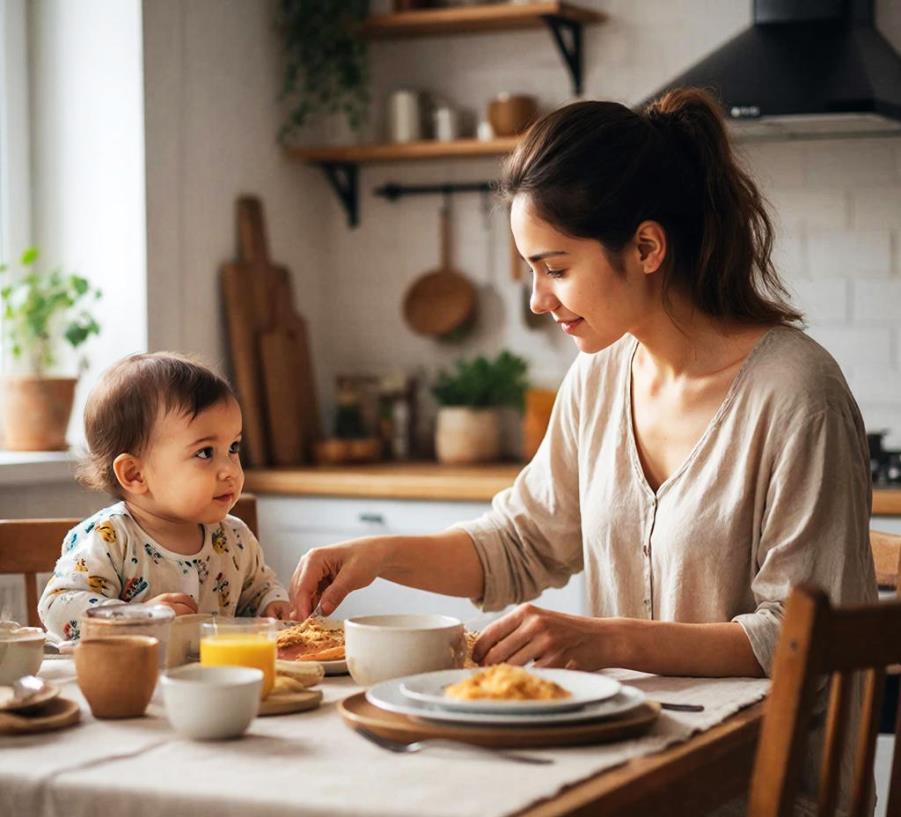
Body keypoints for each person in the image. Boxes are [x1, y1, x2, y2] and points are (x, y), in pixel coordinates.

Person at [290, 88, 878, 813]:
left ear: (646, 247)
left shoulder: (795, 392)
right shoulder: (597, 378)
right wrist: (379, 556)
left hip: (768, 784)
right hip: (633, 764)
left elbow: (794, 636)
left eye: (555, 267)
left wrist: (602, 640)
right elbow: (520, 542)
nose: (538, 299)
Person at [40, 352, 291, 640]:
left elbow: (258, 590)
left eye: (233, 448)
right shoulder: (110, 538)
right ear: (135, 474)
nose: (230, 470)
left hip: (214, 682)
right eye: (205, 452)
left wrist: (271, 604)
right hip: (131, 682)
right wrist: (137, 618)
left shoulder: (235, 538)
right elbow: (57, 606)